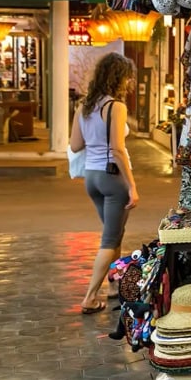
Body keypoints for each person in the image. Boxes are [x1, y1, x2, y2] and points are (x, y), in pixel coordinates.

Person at [69, 53, 138, 315]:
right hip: (112, 179)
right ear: (118, 78)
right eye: (127, 76)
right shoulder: (116, 107)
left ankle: (113, 285)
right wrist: (132, 186)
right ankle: (89, 297)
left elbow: (76, 145)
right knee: (110, 240)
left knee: (115, 233)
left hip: (92, 178)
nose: (130, 81)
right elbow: (117, 149)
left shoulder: (84, 105)